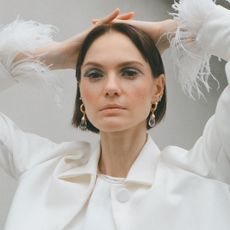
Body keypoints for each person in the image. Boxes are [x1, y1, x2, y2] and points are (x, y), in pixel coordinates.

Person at [0, 0, 230, 229]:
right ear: (80, 88)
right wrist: (56, 55)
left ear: (157, 88)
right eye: (94, 74)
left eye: (129, 72)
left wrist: (168, 31)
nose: (110, 87)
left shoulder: (206, 171)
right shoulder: (42, 167)